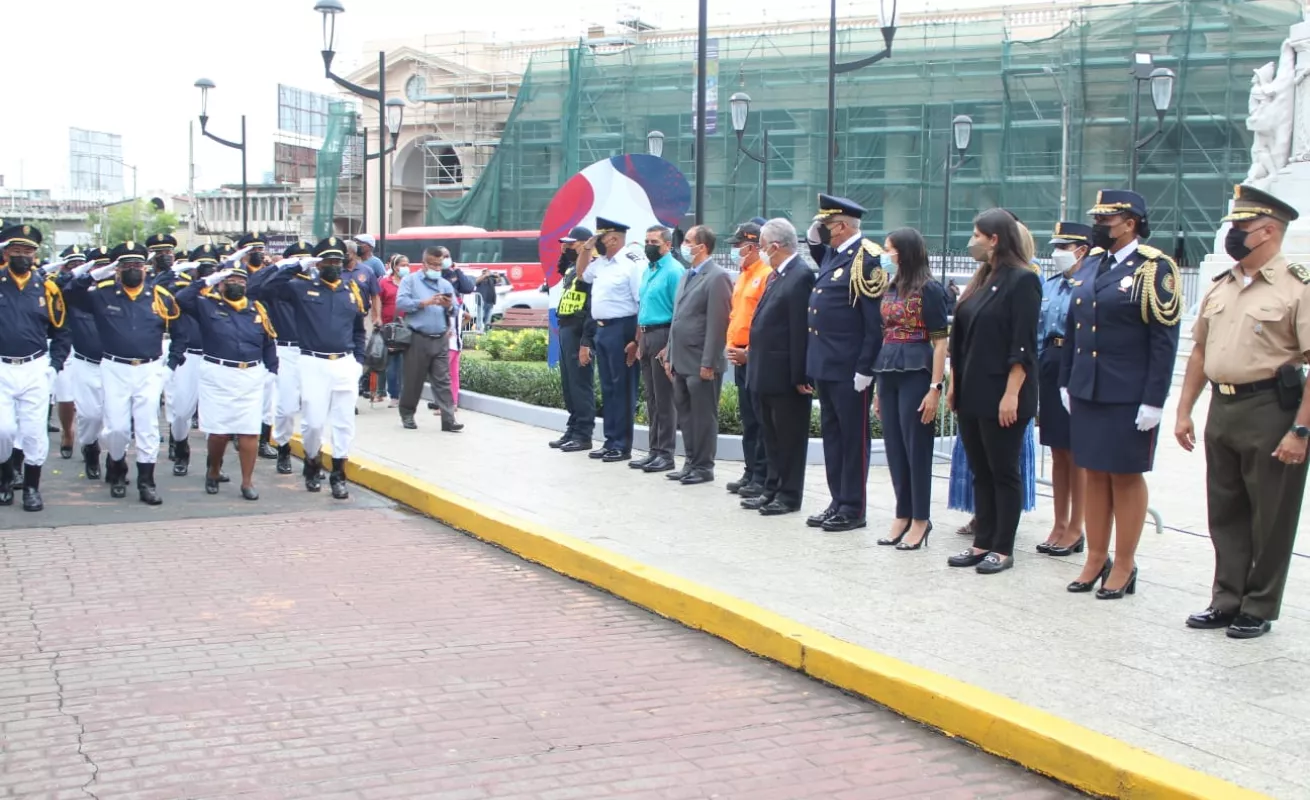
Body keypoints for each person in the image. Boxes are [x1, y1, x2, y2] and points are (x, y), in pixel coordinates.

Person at [1176, 184, 1307, 638]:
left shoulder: (1296, 285)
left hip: (1272, 408)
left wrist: (1301, 430)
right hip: (1224, 406)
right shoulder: (1223, 284)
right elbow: (1198, 352)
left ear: (1268, 230)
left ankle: (1259, 604)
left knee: (1271, 515)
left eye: (1240, 227)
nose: (1231, 234)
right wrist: (1185, 410)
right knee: (1225, 510)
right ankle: (1226, 598)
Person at [1060, 190, 1181, 598]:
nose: (1099, 226)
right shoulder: (1092, 264)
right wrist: (1066, 379)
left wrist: (1155, 399)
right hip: (1088, 387)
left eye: (1107, 220)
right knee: (1094, 472)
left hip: (1128, 392)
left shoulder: (1153, 268)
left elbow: (1163, 340)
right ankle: (1096, 556)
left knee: (1126, 476)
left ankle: (1125, 563)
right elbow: (1074, 327)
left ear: (1130, 223)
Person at [946, 209, 1043, 575]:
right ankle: (982, 540)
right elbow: (963, 339)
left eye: (977, 234)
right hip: (972, 388)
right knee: (980, 471)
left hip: (1003, 391)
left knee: (1003, 471)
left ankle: (1002, 547)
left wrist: (1012, 394)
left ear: (995, 238)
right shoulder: (984, 278)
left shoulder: (1022, 280)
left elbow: (1022, 345)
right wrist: (955, 386)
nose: (973, 241)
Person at [64, 240, 179, 505]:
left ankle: (146, 482)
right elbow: (70, 293)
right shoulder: (102, 293)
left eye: (137, 264)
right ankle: (116, 466)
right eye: (126, 265)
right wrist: (95, 273)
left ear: (145, 267)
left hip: (149, 368)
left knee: (147, 425)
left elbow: (178, 324)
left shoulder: (158, 294)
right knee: (116, 428)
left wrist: (173, 360)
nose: (133, 269)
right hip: (115, 367)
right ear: (117, 269)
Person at [260, 237, 367, 498]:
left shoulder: (351, 289)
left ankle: (339, 475)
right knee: (314, 423)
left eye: (337, 261)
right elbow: (264, 289)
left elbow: (358, 329)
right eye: (327, 260)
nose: (333, 265)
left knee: (344, 423)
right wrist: (295, 266)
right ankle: (311, 461)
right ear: (318, 263)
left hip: (344, 362)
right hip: (312, 361)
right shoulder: (300, 287)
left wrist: (359, 361)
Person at [804, 194, 886, 532]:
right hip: (827, 364)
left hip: (850, 369)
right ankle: (837, 499)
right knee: (834, 438)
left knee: (853, 440)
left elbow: (873, 323)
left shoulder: (867, 258)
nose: (821, 229)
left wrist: (866, 369)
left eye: (825, 225)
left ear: (840, 226)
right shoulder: (836, 255)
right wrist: (813, 235)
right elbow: (818, 253)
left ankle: (854, 507)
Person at [871, 228, 949, 551]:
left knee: (916, 447)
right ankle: (902, 513)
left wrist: (935, 387)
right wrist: (877, 388)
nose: (884, 255)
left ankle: (920, 518)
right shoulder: (890, 286)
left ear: (903, 252)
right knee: (894, 446)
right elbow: (884, 331)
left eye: (888, 249)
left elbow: (941, 340)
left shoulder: (928, 289)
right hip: (888, 367)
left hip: (917, 367)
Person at [175, 263, 278, 500]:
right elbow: (181, 298)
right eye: (230, 280)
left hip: (250, 375)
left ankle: (247, 482)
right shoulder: (207, 304)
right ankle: (213, 471)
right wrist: (209, 279)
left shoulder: (256, 309)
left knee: (249, 431)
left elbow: (268, 341)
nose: (237, 284)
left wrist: (272, 370)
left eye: (241, 281)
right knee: (219, 432)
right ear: (221, 284)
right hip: (217, 374)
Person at [742, 219, 816, 515]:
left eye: (761, 246)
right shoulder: (776, 275)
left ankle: (788, 495)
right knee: (770, 437)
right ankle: (771, 489)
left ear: (775, 246)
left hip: (785, 375)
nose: (760, 251)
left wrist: (800, 374)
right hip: (763, 372)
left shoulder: (800, 275)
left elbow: (800, 330)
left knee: (788, 439)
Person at [0, 224, 70, 511]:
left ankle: (31, 488)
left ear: (35, 255)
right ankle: (5, 478)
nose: (22, 256)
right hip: (2, 367)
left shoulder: (48, 287)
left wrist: (54, 365)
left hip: (35, 366)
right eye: (16, 251)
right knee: (3, 430)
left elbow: (62, 330)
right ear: (5, 253)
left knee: (33, 432)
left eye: (27, 251)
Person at [1036, 222, 1092, 556]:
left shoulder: (1090, 285)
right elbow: (1038, 328)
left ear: (1081, 250)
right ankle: (1058, 522)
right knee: (1057, 449)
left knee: (1077, 451)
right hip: (1051, 360)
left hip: (1078, 363)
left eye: (1064, 248)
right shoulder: (1051, 284)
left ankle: (1076, 526)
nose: (1057, 254)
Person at [665, 225, 732, 485]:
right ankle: (690, 462)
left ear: (702, 246)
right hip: (681, 359)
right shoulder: (687, 275)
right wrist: (669, 353)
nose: (684, 245)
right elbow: (677, 318)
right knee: (685, 414)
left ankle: (704, 466)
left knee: (703, 416)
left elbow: (718, 324)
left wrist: (709, 362)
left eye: (689, 241)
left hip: (701, 362)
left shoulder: (717, 277)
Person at [577, 217, 644, 462]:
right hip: (602, 330)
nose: (596, 242)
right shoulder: (601, 263)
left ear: (613, 238)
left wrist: (636, 340)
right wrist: (586, 248)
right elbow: (582, 273)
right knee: (607, 387)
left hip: (623, 328)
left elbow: (640, 304)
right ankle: (609, 440)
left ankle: (622, 444)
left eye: (600, 238)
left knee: (622, 388)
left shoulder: (631, 264)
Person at [248, 240, 313, 474]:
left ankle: (311, 457)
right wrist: (279, 267)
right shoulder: (278, 288)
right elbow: (254, 289)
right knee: (284, 409)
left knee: (312, 409)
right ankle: (283, 448)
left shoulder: (315, 285)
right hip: (284, 350)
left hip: (310, 352)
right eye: (297, 260)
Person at [156, 243, 218, 478]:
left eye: (211, 266)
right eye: (203, 266)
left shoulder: (220, 291)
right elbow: (158, 289)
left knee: (215, 416)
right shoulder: (181, 289)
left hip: (214, 357)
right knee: (181, 411)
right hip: (189, 356)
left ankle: (215, 466)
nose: (208, 270)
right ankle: (181, 449)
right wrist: (175, 271)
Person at [723, 222, 773, 497]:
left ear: (752, 246)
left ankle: (761, 475)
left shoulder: (765, 275)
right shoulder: (743, 275)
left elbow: (765, 321)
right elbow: (737, 316)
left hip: (755, 355)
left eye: (738, 245)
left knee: (759, 418)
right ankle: (750, 471)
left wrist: (749, 351)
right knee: (748, 420)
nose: (734, 250)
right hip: (738, 353)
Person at [630, 225, 684, 474]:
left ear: (667, 245)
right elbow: (643, 307)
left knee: (664, 399)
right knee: (651, 398)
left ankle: (666, 453)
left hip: (664, 334)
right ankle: (654, 450)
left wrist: (670, 346)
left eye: (653, 241)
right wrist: (639, 339)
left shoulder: (674, 271)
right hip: (647, 334)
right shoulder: (648, 270)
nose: (648, 245)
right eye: (646, 241)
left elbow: (680, 313)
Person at [55, 246, 109, 480]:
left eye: (105, 266)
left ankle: (116, 465)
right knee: (90, 416)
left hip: (116, 364)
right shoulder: (77, 295)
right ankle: (89, 447)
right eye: (96, 265)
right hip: (85, 362)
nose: (101, 270)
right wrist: (84, 272)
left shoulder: (118, 293)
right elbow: (60, 286)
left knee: (119, 420)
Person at [395, 247, 463, 433]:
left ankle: (449, 419)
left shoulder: (445, 284)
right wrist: (423, 303)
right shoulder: (410, 281)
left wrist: (448, 306)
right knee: (413, 380)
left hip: (440, 338)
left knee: (443, 381)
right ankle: (407, 414)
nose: (436, 268)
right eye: (432, 264)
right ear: (424, 263)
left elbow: (456, 310)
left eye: (439, 265)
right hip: (417, 338)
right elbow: (401, 303)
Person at [548, 227, 597, 452]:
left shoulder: (591, 268)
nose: (568, 247)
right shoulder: (572, 266)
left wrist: (587, 339)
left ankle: (584, 434)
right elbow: (560, 269)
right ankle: (573, 427)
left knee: (580, 384)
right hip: (566, 327)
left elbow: (591, 306)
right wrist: (565, 251)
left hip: (579, 329)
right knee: (569, 384)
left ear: (586, 243)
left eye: (572, 243)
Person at [49, 245, 89, 460]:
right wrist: (70, 275)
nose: (77, 267)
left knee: (87, 400)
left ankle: (88, 439)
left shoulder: (90, 283)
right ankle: (67, 431)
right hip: (65, 343)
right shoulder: (57, 283)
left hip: (88, 344)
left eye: (80, 263)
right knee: (65, 395)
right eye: (72, 264)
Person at [379, 253, 408, 407]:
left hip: (406, 327)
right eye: (403, 265)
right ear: (395, 267)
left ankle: (404, 395)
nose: (406, 268)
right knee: (392, 364)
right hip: (389, 328)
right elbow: (378, 302)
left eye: (407, 264)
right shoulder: (384, 283)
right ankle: (394, 395)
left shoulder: (409, 283)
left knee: (405, 364)